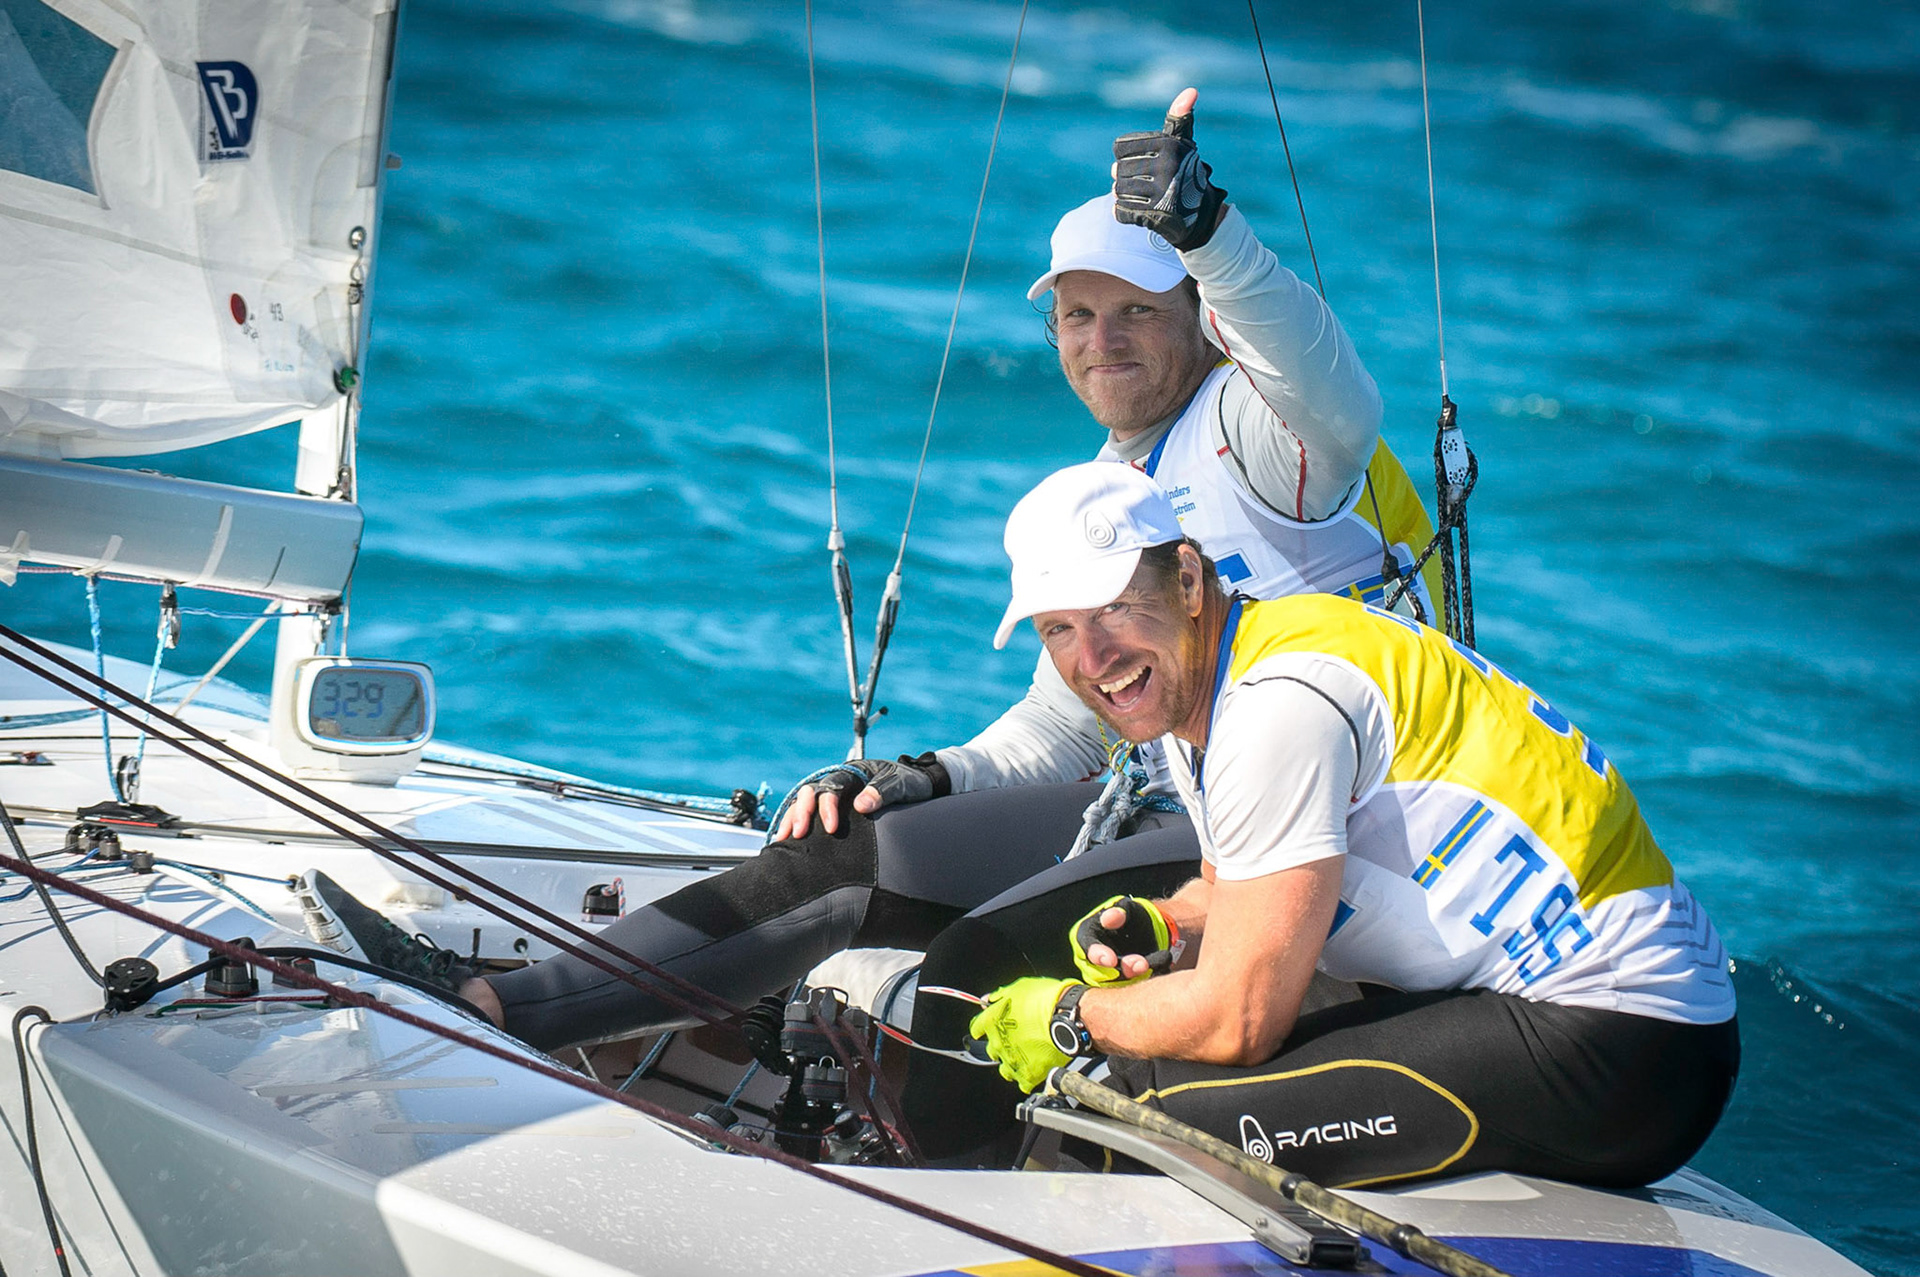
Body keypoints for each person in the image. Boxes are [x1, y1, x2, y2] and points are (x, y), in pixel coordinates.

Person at [302, 88, 1441, 1088]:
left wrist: (1210, 234)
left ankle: (495, 1010)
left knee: (894, 904)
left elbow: (1339, 402)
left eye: (1140, 309)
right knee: (856, 837)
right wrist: (920, 772)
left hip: (1292, 824)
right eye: (1078, 314)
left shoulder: (1254, 432)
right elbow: (1064, 730)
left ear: (1197, 318)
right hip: (1174, 799)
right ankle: (572, 1008)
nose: (1105, 339)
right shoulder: (1111, 483)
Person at [920, 461, 1738, 1186]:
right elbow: (1242, 884)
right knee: (1153, 1046)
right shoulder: (1235, 662)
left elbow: (1239, 1018)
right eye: (1060, 629)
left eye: (1115, 610)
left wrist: (1068, 1014)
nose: (1092, 657)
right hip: (1615, 1020)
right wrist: (1167, 920)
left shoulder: (1277, 707)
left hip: (1622, 1048)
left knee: (1123, 1103)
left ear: (1190, 580)